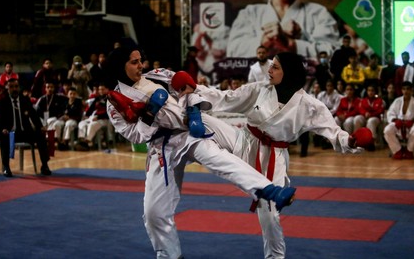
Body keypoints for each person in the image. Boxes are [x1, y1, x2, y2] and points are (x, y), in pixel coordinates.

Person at [106, 48, 297, 259]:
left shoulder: (157, 75)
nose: (141, 66)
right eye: (134, 62)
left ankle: (270, 190)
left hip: (191, 130)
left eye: (140, 60)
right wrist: (149, 113)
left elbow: (190, 89)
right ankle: (170, 256)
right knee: (154, 213)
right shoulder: (114, 103)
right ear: (120, 66)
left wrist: (193, 111)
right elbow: (135, 135)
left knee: (221, 161)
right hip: (162, 145)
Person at [173, 52, 365, 259]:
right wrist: (195, 88)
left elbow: (333, 131)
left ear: (288, 72)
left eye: (275, 67)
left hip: (275, 157)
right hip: (244, 141)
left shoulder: (309, 105)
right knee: (202, 122)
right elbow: (227, 98)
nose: (269, 70)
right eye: (271, 65)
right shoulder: (261, 89)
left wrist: (349, 141)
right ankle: (179, 155)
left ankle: (275, 257)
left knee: (269, 214)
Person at [227, 0, 339, 59]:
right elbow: (233, 52)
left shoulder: (318, 12)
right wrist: (264, 41)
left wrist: (291, 43)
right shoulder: (250, 13)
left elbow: (334, 55)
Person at [0, 78, 52, 177]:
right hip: (10, 133)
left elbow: (33, 115)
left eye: (16, 86)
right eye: (11, 87)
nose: (14, 89)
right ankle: (6, 167)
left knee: (40, 135)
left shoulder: (25, 100)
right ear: (7, 88)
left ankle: (45, 165)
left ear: (19, 88)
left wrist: (40, 127)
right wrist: (3, 128)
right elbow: (0, 119)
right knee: (4, 137)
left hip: (25, 132)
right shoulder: (2, 102)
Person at [384, 81, 414, 159]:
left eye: (408, 89)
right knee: (387, 130)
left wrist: (413, 121)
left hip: (411, 124)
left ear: (411, 90)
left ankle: (409, 151)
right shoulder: (397, 101)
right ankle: (397, 150)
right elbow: (390, 113)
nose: (406, 91)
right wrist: (395, 120)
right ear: (401, 90)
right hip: (399, 124)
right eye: (404, 89)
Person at [75, 83, 109, 150]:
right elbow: (91, 109)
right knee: (82, 123)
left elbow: (109, 113)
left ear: (107, 90)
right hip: (93, 118)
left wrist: (98, 117)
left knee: (92, 125)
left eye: (102, 89)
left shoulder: (110, 99)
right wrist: (86, 115)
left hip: (104, 119)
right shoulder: (97, 98)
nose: (101, 91)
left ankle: (87, 142)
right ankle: (81, 141)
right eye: (99, 89)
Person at [35, 82, 68, 148]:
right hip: (44, 118)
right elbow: (36, 110)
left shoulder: (59, 97)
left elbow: (69, 101)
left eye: (51, 87)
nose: (50, 89)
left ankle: (51, 141)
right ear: (45, 89)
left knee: (52, 121)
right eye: (48, 87)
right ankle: (43, 141)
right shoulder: (41, 99)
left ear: (54, 88)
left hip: (55, 118)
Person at [354, 84, 385, 149]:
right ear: (367, 92)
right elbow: (360, 109)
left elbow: (380, 110)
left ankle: (371, 142)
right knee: (357, 119)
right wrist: (365, 113)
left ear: (375, 92)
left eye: (372, 91)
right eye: (369, 90)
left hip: (376, 118)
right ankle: (357, 140)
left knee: (371, 121)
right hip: (365, 117)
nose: (370, 92)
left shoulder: (380, 100)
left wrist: (371, 114)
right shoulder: (363, 100)